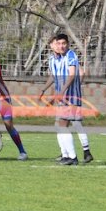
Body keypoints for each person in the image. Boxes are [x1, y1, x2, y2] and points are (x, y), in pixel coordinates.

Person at [40, 33, 93, 165]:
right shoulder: (54, 59)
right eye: (58, 44)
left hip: (71, 98)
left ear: (67, 44)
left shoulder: (70, 55)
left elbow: (71, 75)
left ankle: (73, 157)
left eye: (63, 43)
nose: (61, 46)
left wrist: (63, 92)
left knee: (66, 124)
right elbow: (53, 77)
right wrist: (44, 90)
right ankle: (67, 155)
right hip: (62, 98)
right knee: (60, 125)